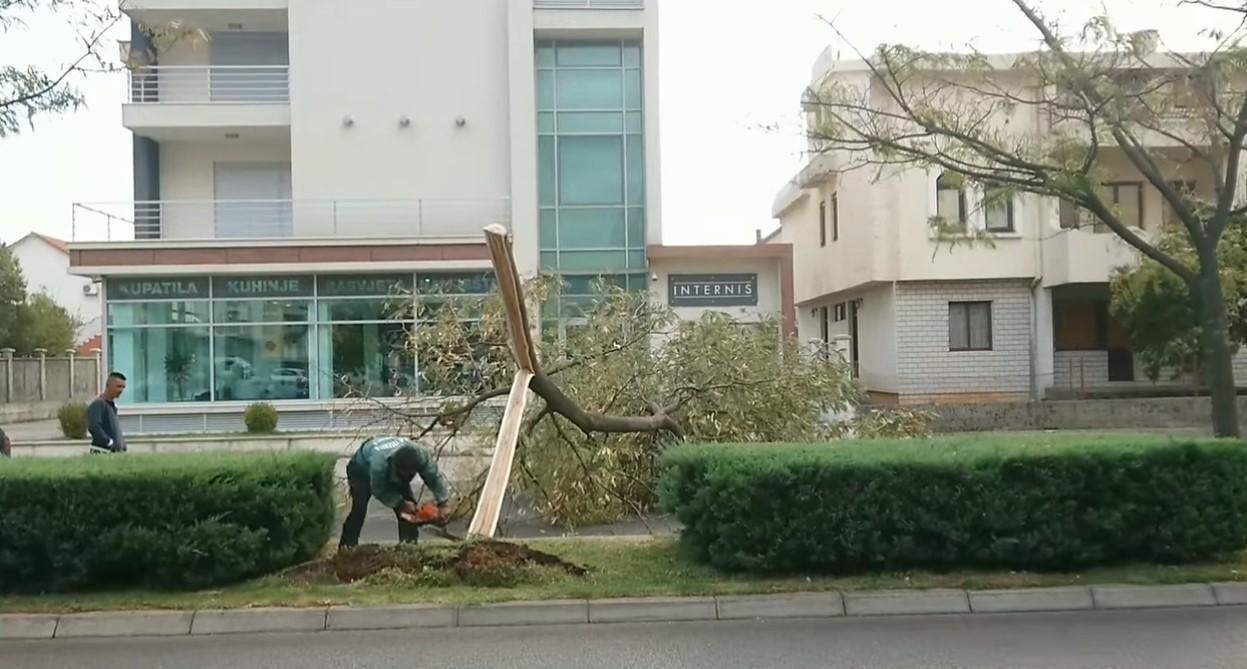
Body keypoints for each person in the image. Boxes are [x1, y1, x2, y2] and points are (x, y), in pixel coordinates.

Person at [339, 436, 450, 550]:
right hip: (360, 470)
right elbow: (379, 489)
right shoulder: (380, 464)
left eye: (410, 475)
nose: (406, 478)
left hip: (390, 470)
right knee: (359, 508)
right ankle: (347, 547)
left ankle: (408, 548)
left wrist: (443, 503)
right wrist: (400, 503)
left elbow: (434, 477)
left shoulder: (421, 455)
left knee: (409, 512)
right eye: (403, 475)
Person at [87, 372, 127, 454]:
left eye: (123, 387)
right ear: (108, 386)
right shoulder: (98, 404)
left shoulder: (111, 406)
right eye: (118, 387)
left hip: (114, 454)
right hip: (102, 453)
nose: (121, 390)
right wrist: (108, 442)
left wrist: (122, 445)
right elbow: (94, 426)